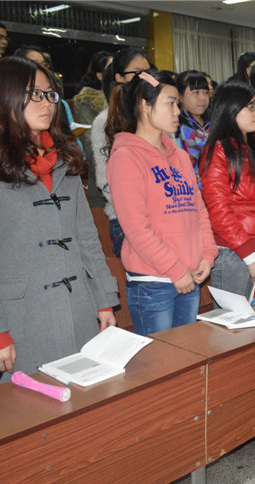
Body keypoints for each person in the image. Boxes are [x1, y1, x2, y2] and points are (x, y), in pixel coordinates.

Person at [0, 56, 119, 381]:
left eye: (50, 94)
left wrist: (104, 300)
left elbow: (86, 238)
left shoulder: (63, 159)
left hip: (78, 310)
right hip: (20, 321)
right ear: (4, 97)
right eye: (34, 94)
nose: (47, 103)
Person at [105, 70, 217, 336]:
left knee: (186, 355)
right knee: (159, 358)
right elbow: (136, 228)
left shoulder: (179, 156)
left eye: (178, 103)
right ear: (145, 105)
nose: (178, 111)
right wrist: (175, 270)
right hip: (153, 282)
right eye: (170, 103)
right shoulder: (126, 157)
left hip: (189, 275)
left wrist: (208, 254)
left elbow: (199, 211)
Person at [200, 81, 255, 297]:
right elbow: (219, 211)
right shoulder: (217, 151)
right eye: (250, 107)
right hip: (235, 254)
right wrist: (250, 257)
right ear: (230, 109)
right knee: (235, 318)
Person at [93, 48, 152, 257]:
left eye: (148, 72)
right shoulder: (104, 121)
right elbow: (105, 180)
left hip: (162, 215)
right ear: (119, 77)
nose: (144, 78)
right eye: (137, 73)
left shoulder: (156, 114)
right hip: (125, 220)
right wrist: (139, 211)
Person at [74, 51, 113, 208]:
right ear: (100, 75)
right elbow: (92, 150)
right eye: (112, 68)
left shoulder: (128, 102)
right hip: (103, 194)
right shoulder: (89, 103)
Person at [175, 70, 212, 178]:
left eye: (206, 92)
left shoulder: (214, 122)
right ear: (180, 96)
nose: (203, 98)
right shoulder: (176, 127)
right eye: (196, 92)